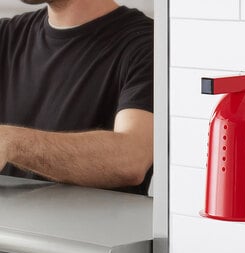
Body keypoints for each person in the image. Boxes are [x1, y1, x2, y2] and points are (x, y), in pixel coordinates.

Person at [0, 0, 153, 195]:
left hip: (95, 225)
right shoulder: (7, 35)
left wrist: (12, 142)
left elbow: (133, 158)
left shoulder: (147, 46)